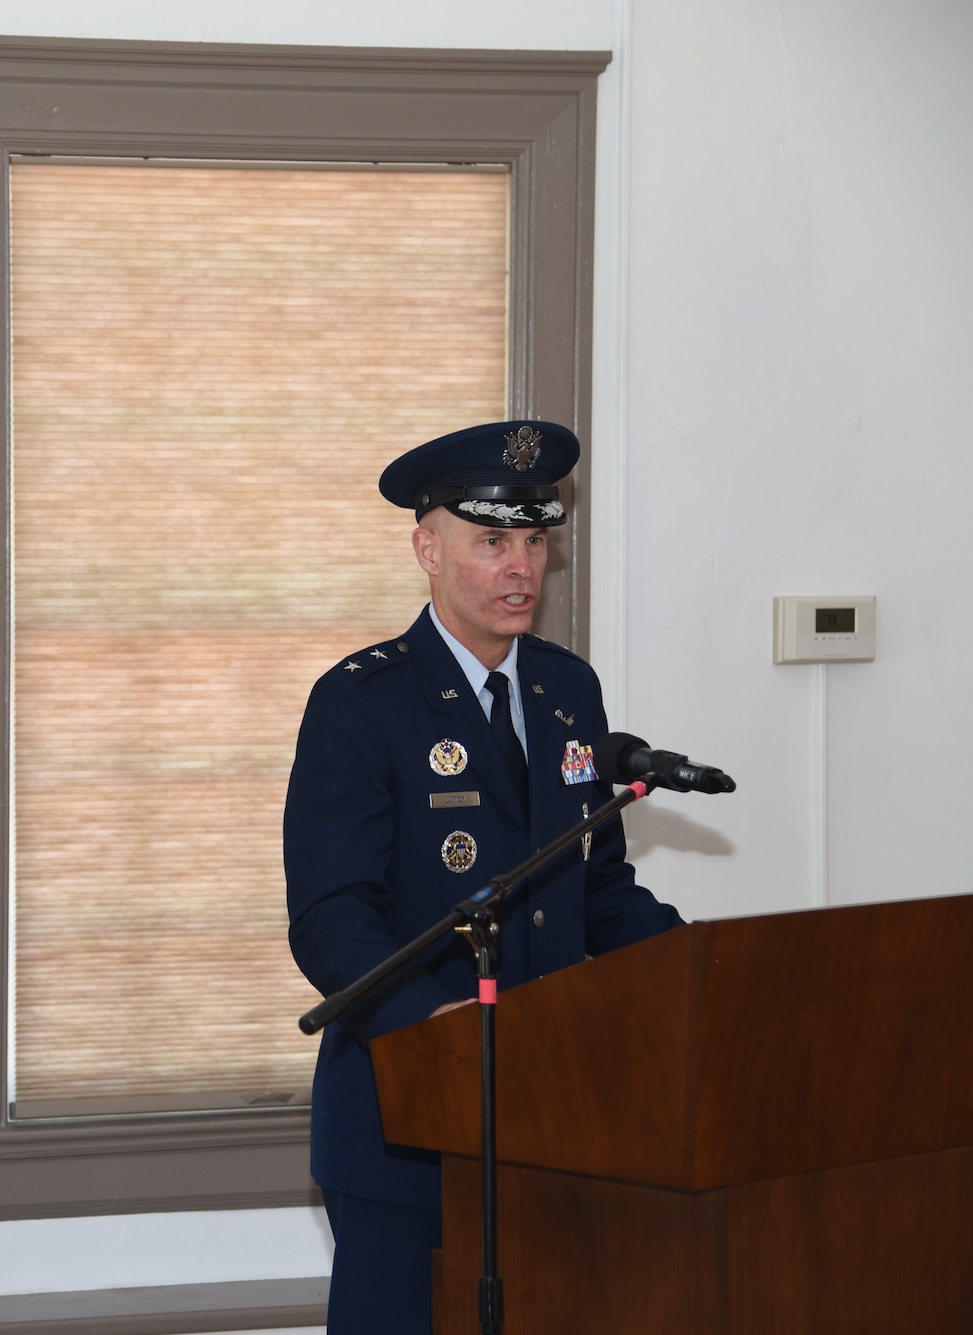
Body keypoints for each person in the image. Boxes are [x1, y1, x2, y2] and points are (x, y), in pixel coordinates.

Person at [283, 419, 683, 1333]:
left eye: (535, 540)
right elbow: (332, 916)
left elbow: (597, 885)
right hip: (408, 1120)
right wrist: (433, 1027)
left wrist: (696, 967)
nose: (520, 567)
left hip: (556, 1111)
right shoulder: (361, 700)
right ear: (427, 548)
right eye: (491, 540)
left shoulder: (567, 688)